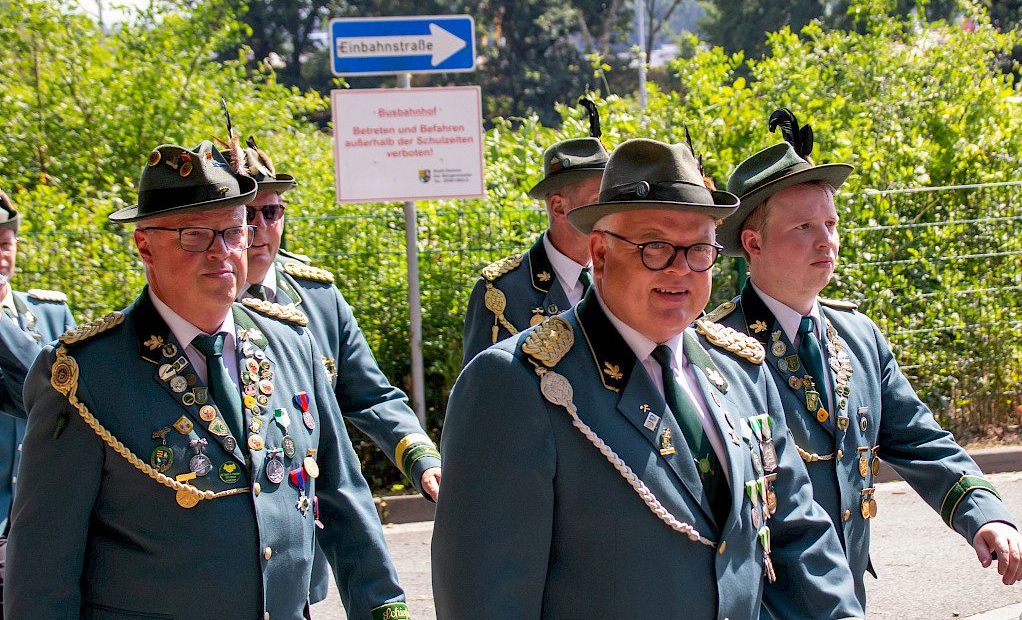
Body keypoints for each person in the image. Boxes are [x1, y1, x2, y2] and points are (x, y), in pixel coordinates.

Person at [433, 138, 861, 620]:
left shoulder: (740, 370)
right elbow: (487, 597)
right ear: (599, 253)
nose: (680, 269)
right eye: (655, 246)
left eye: (699, 248)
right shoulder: (517, 384)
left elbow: (798, 536)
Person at [4, 140, 410, 620]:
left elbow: (342, 497)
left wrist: (385, 608)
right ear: (144, 245)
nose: (223, 252)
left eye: (235, 232)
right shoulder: (84, 374)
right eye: (195, 235)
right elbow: (42, 570)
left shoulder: (290, 343)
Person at [711, 109, 1022, 617]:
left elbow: (920, 439)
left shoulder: (858, 336)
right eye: (803, 227)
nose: (827, 240)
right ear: (753, 243)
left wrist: (984, 513)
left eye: (831, 224)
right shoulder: (717, 349)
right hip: (766, 604)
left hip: (848, 593)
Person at [234, 137, 443, 602]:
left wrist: (423, 460)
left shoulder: (318, 299)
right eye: (245, 214)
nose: (259, 228)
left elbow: (371, 396)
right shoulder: (199, 304)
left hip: (298, 556)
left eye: (271, 211)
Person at [460, 124, 608, 365]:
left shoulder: (620, 276)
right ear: (559, 208)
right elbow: (479, 382)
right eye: (598, 201)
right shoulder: (501, 291)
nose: (610, 212)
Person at [0, 190, 76, 613]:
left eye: (5, 244)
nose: (0, 256)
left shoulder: (49, 314)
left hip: (40, 528)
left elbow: (57, 393)